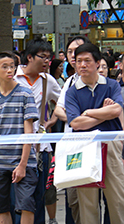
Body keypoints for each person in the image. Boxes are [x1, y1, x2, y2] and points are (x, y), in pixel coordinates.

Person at [65, 43, 124, 224]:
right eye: (78, 61)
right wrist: (102, 113)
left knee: (117, 200)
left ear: (98, 63)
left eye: (87, 61)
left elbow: (116, 110)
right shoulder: (72, 92)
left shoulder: (112, 85)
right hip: (83, 147)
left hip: (111, 144)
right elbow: (76, 123)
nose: (82, 65)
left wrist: (88, 112)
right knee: (87, 202)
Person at [0, 52, 39, 224]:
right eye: (4, 66)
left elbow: (29, 132)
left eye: (12, 66)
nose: (9, 70)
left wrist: (22, 164)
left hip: (23, 160)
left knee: (27, 205)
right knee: (0, 208)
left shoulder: (25, 94)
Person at [14, 39, 61, 224]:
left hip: (40, 148)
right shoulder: (13, 78)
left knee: (39, 197)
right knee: (18, 200)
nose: (47, 61)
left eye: (49, 58)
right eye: (42, 57)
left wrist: (52, 121)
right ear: (30, 57)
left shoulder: (47, 81)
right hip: (15, 147)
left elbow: (63, 103)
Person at [54, 35, 91, 224]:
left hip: (92, 147)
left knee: (91, 199)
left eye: (77, 50)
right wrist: (76, 120)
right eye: (69, 52)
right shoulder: (68, 82)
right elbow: (59, 109)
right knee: (73, 198)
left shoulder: (98, 81)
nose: (73, 55)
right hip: (71, 147)